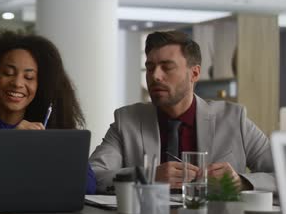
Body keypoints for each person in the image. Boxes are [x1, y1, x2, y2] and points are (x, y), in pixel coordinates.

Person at [89, 30, 275, 194]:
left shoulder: (234, 119)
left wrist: (241, 182)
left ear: (194, 74)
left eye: (167, 67)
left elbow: (281, 174)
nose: (155, 76)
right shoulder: (127, 120)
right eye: (150, 67)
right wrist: (147, 176)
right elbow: (92, 176)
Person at [0, 31, 97, 196]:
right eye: (8, 73)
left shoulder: (56, 129)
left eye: (29, 77)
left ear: (41, 85)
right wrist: (8, 146)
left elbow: (88, 186)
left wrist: (50, 155)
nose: (17, 83)